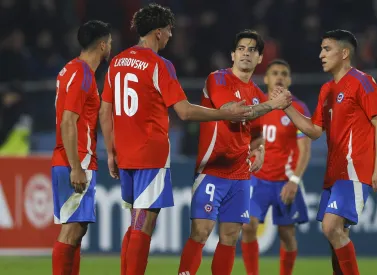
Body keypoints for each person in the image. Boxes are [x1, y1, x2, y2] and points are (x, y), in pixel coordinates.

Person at [98, 4, 251, 275]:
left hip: (125, 154)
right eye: (169, 31)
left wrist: (110, 151)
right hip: (150, 154)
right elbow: (184, 111)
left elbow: (106, 109)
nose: (170, 36)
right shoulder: (159, 64)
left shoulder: (117, 62)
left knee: (135, 220)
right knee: (144, 223)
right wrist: (223, 113)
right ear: (157, 32)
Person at [274, 29, 377, 275]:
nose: (321, 55)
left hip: (355, 169)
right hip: (334, 173)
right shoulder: (327, 90)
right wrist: (287, 107)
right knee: (335, 237)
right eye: (321, 49)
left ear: (344, 53)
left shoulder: (362, 81)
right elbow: (314, 131)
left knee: (331, 227)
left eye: (327, 49)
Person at [177, 30, 292, 275]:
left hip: (240, 176)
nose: (246, 53)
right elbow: (231, 110)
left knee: (230, 236)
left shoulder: (257, 95)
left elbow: (258, 132)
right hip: (212, 169)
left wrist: (259, 149)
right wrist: (273, 104)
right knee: (201, 231)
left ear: (260, 58)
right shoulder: (217, 79)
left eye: (252, 50)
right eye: (241, 48)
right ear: (232, 54)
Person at [51, 20, 112, 275]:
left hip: (78, 158)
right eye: (109, 42)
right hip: (75, 159)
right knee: (71, 230)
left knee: (79, 229)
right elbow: (68, 121)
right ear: (101, 45)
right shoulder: (82, 73)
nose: (110, 46)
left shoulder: (72, 70)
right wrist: (76, 166)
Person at [240, 59, 312, 275]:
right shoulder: (258, 106)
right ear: (266, 78)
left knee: (287, 235)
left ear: (289, 80)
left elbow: (305, 150)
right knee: (248, 226)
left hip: (284, 181)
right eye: (274, 73)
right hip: (258, 179)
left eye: (283, 73)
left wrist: (295, 180)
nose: (279, 77)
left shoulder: (299, 109)